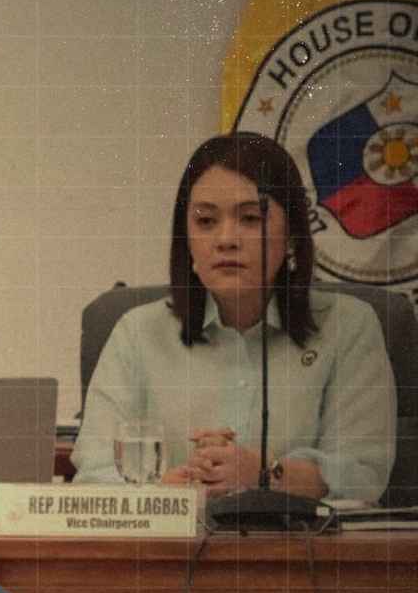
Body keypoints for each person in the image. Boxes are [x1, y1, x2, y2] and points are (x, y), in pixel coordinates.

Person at [73, 132, 394, 500]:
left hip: (296, 537)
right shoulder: (137, 333)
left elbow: (362, 473)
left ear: (292, 234)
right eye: (206, 221)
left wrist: (266, 476)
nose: (226, 239)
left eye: (250, 218)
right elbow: (94, 472)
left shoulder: (348, 327)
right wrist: (168, 493)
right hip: (174, 535)